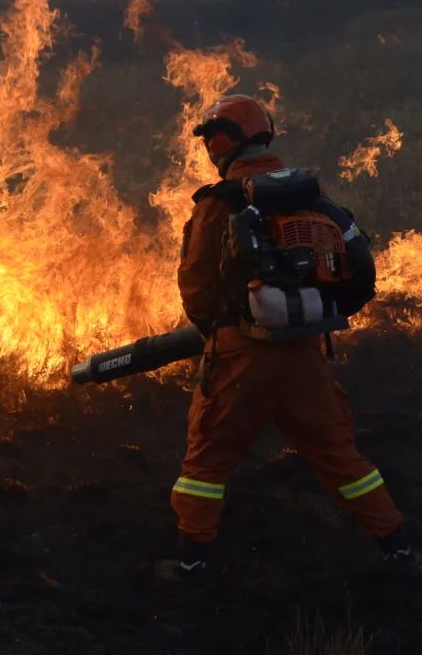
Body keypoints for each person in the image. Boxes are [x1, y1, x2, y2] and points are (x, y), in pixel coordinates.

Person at [159, 94, 418, 580]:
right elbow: (358, 269)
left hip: (242, 355)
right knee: (342, 455)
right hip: (304, 350)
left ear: (220, 143)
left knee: (208, 460)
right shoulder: (310, 197)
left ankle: (191, 562)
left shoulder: (220, 204)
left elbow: (196, 285)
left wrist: (216, 334)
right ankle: (398, 549)